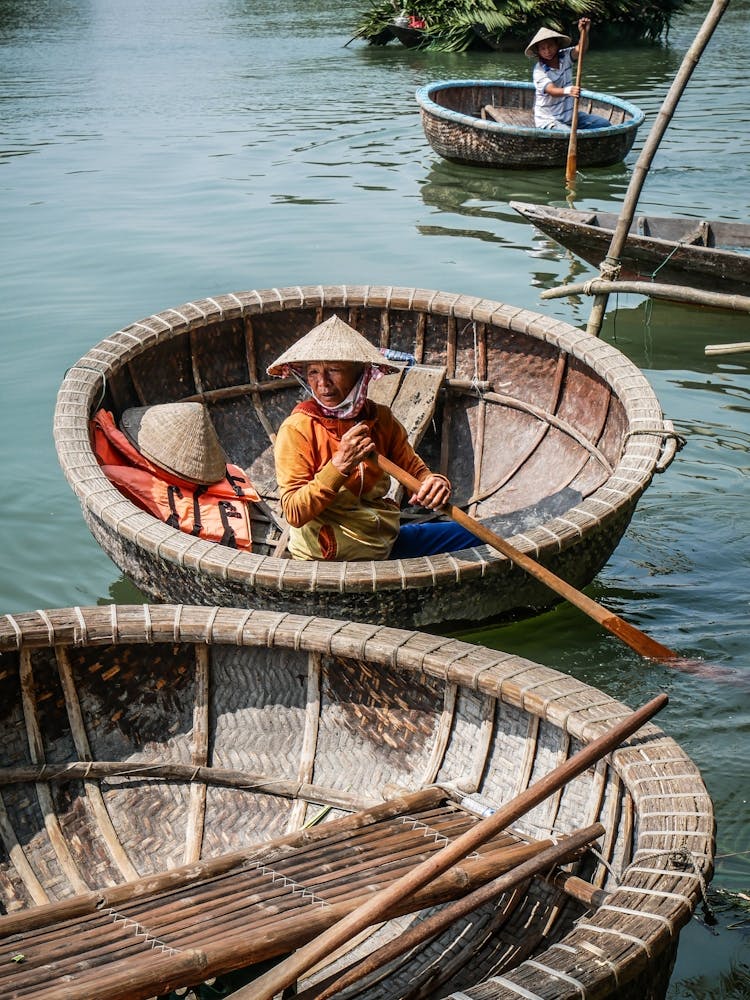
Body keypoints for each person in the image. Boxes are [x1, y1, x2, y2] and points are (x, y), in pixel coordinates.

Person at [267, 315, 480, 562]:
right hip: (328, 555)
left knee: (473, 534)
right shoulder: (298, 428)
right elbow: (294, 512)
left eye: (334, 370)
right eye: (313, 372)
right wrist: (339, 465)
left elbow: (416, 471)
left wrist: (435, 483)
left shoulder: (380, 418)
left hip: (380, 538)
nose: (322, 383)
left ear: (361, 374)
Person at [525, 18, 610, 131]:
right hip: (549, 120)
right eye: (542, 48)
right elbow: (552, 91)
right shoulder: (539, 70)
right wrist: (568, 91)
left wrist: (584, 32)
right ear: (538, 51)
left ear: (557, 45)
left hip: (569, 116)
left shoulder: (565, 57)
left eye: (550, 46)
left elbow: (581, 49)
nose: (547, 51)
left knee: (604, 124)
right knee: (570, 134)